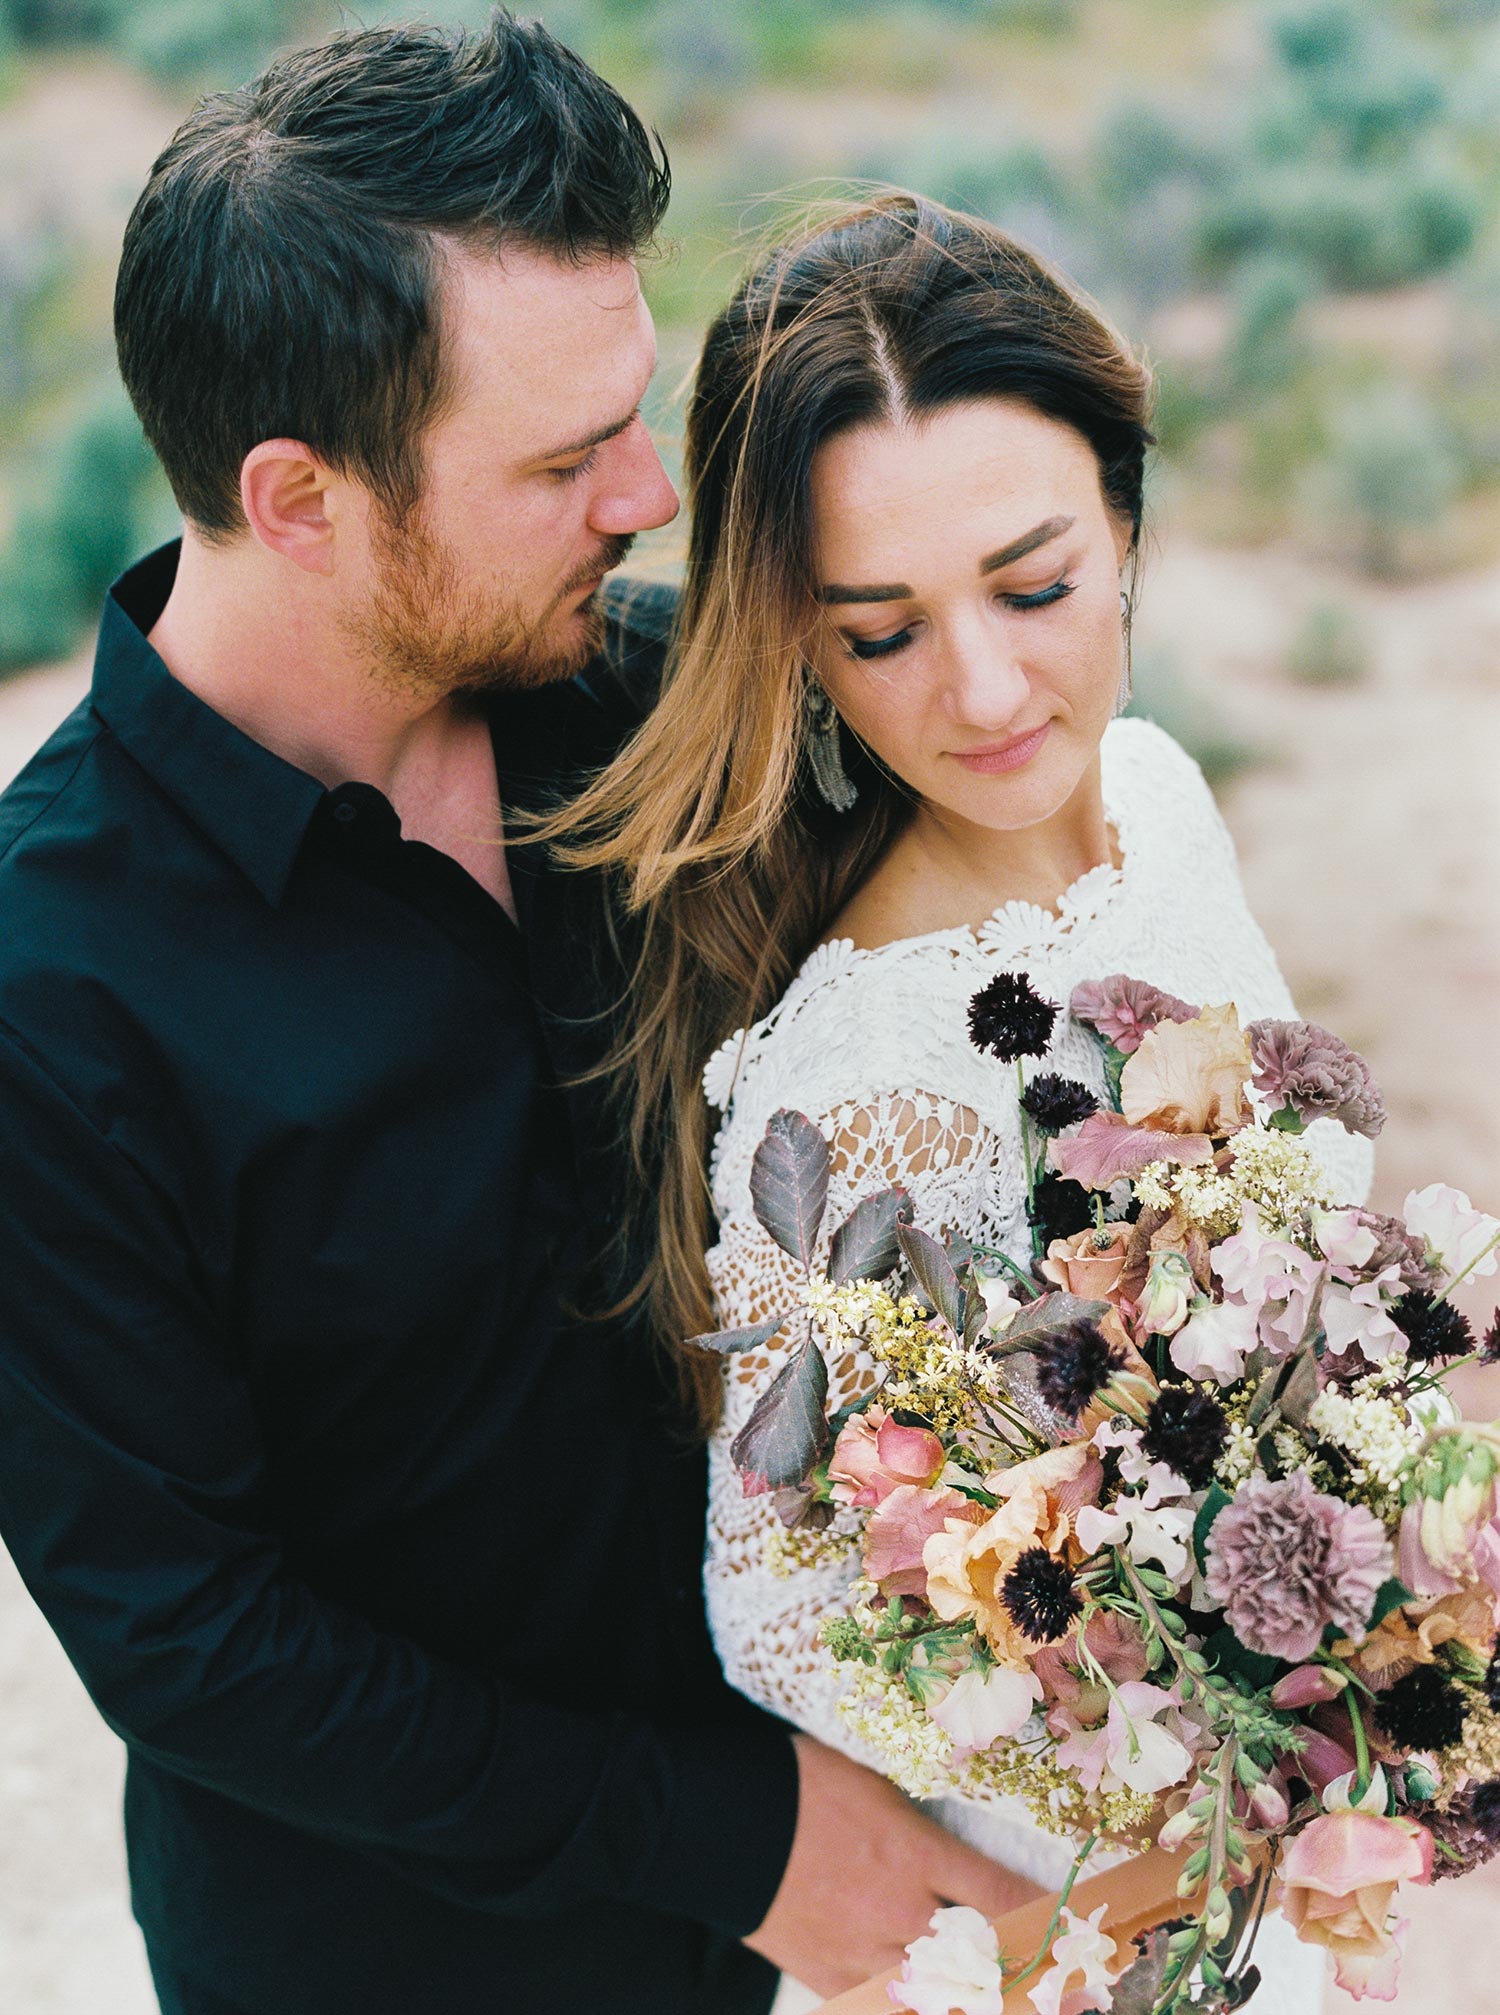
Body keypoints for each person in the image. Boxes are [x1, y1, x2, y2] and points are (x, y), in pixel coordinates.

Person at [0, 26, 1035, 2015]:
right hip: (390, 1957)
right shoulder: (54, 994)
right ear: (297, 499)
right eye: (565, 463)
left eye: (628, 418)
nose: (650, 496)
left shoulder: (661, 714)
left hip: (786, 1886)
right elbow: (196, 1642)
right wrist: (745, 1848)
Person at [542, 195, 1378, 2009]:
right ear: (803, 648)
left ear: (1130, 524)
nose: (989, 692)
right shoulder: (862, 1070)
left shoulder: (1157, 796)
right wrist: (1150, 1747)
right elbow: (778, 1620)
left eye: (1036, 584)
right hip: (1096, 1905)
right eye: (881, 631)